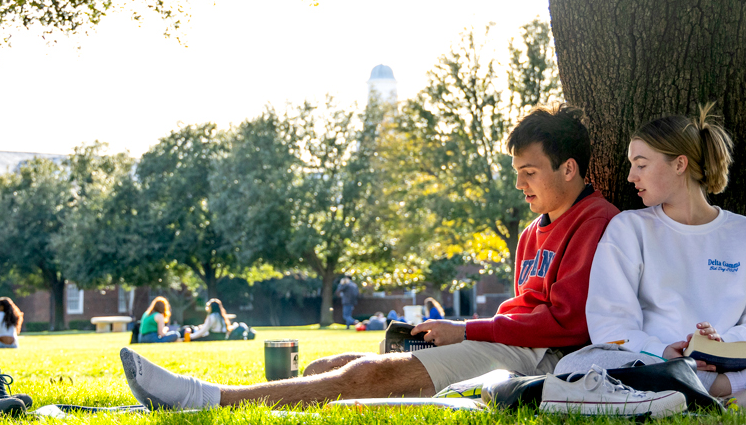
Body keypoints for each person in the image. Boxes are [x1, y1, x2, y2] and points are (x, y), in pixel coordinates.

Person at [117, 103, 621, 409]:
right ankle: (260, 401)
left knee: (367, 376)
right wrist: (465, 328)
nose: (519, 183)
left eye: (530, 171)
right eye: (516, 170)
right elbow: (520, 313)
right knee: (330, 363)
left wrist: (466, 330)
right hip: (509, 341)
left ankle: (201, 398)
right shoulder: (533, 232)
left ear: (570, 169)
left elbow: (567, 322)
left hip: (541, 357)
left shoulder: (596, 220)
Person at [553, 105, 746, 409]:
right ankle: (733, 396)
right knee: (578, 364)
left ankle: (724, 394)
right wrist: (664, 351)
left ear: (679, 164)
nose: (631, 176)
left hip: (737, 364)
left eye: (641, 164)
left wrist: (723, 343)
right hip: (654, 363)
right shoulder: (628, 228)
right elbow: (611, 326)